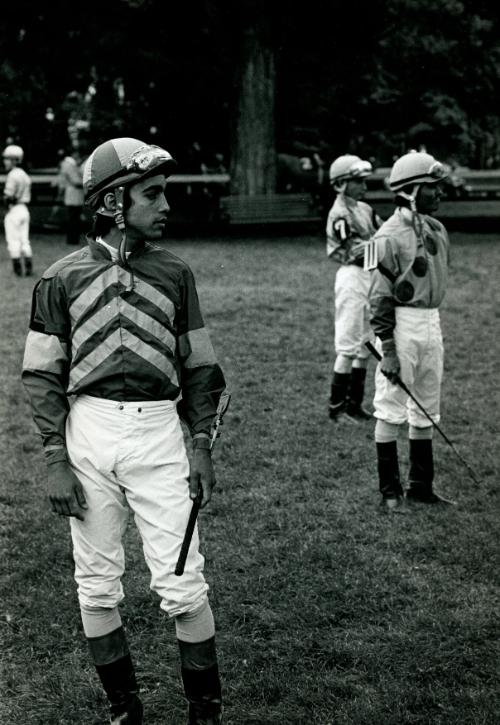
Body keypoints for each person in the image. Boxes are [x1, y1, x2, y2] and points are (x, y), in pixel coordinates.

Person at [22, 137, 227, 724]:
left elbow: (201, 367)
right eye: (152, 194)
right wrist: (54, 458)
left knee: (184, 584)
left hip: (160, 434)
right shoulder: (59, 279)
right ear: (114, 201)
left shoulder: (176, 274)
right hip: (88, 434)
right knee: (96, 583)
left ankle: (203, 716)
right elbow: (41, 375)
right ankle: (124, 711)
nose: (165, 206)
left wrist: (202, 444)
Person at [365, 150, 455, 512]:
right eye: (434, 188)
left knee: (427, 407)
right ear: (412, 190)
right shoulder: (385, 238)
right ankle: (390, 492)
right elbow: (378, 298)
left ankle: (421, 486)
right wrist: (387, 348)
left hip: (430, 323)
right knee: (391, 407)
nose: (441, 194)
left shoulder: (436, 228)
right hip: (400, 327)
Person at [326, 154, 383, 421]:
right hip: (352, 276)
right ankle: (336, 406)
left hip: (370, 276)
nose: (363, 185)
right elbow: (353, 251)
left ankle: (354, 404)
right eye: (356, 181)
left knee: (367, 342)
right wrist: (381, 247)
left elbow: (384, 233)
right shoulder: (339, 213)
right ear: (341, 184)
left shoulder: (365, 209)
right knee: (348, 342)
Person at [3, 144, 33, 276]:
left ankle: (18, 269)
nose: (5, 162)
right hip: (24, 209)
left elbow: (8, 196)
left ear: (15, 160)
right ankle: (28, 266)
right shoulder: (25, 175)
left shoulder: (12, 175)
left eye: (8, 159)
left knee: (13, 239)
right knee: (24, 239)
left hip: (14, 209)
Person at [58, 148, 85, 244]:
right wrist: (85, 182)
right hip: (74, 195)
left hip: (73, 195)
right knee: (74, 218)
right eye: (77, 154)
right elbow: (76, 181)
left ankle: (72, 239)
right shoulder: (69, 165)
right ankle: (73, 239)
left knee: (73, 218)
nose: (78, 156)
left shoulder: (68, 164)